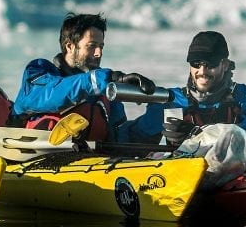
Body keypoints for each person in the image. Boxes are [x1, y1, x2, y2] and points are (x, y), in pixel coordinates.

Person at [12, 12, 163, 143]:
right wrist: (106, 79)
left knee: (158, 115)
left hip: (91, 165)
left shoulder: (103, 90)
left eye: (101, 46)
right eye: (91, 46)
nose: (99, 53)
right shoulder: (38, 72)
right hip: (33, 164)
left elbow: (118, 139)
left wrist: (157, 121)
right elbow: (53, 94)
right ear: (69, 46)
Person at [160, 31, 246, 151]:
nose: (202, 71)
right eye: (196, 63)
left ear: (224, 64)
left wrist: (198, 133)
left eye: (210, 64)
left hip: (239, 166)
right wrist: (139, 91)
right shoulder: (170, 99)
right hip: (186, 167)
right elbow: (140, 136)